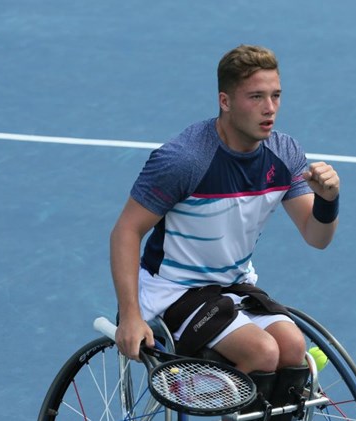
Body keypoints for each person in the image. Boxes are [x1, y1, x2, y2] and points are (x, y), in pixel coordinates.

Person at [110, 44, 339, 385]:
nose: (270, 109)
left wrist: (328, 199)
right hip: (172, 293)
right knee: (262, 353)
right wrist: (130, 315)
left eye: (276, 96)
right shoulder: (184, 161)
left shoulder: (284, 153)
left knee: (292, 347)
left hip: (232, 287)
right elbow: (126, 232)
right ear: (225, 101)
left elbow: (316, 237)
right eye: (256, 97)